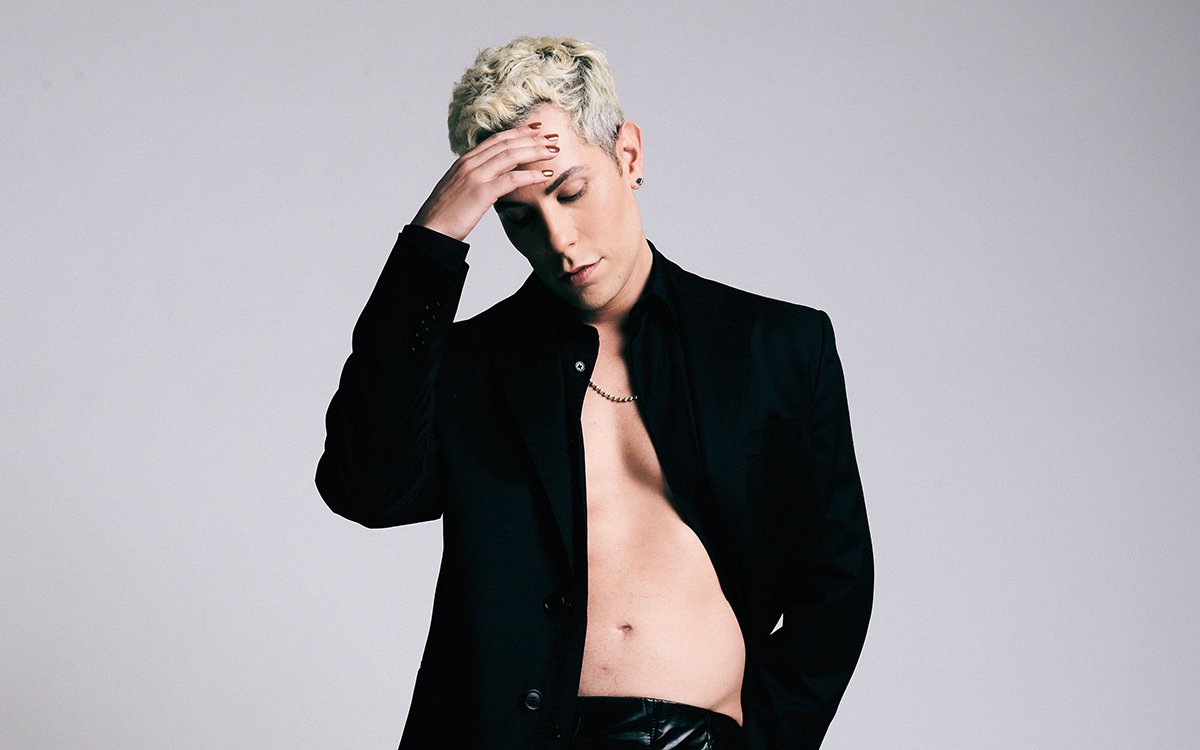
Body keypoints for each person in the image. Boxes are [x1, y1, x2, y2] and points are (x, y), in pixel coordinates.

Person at [316, 35, 873, 750]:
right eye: (518, 216)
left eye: (571, 192)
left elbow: (836, 582)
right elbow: (367, 489)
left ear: (628, 156)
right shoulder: (472, 366)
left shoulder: (776, 346)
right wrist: (436, 235)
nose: (560, 240)